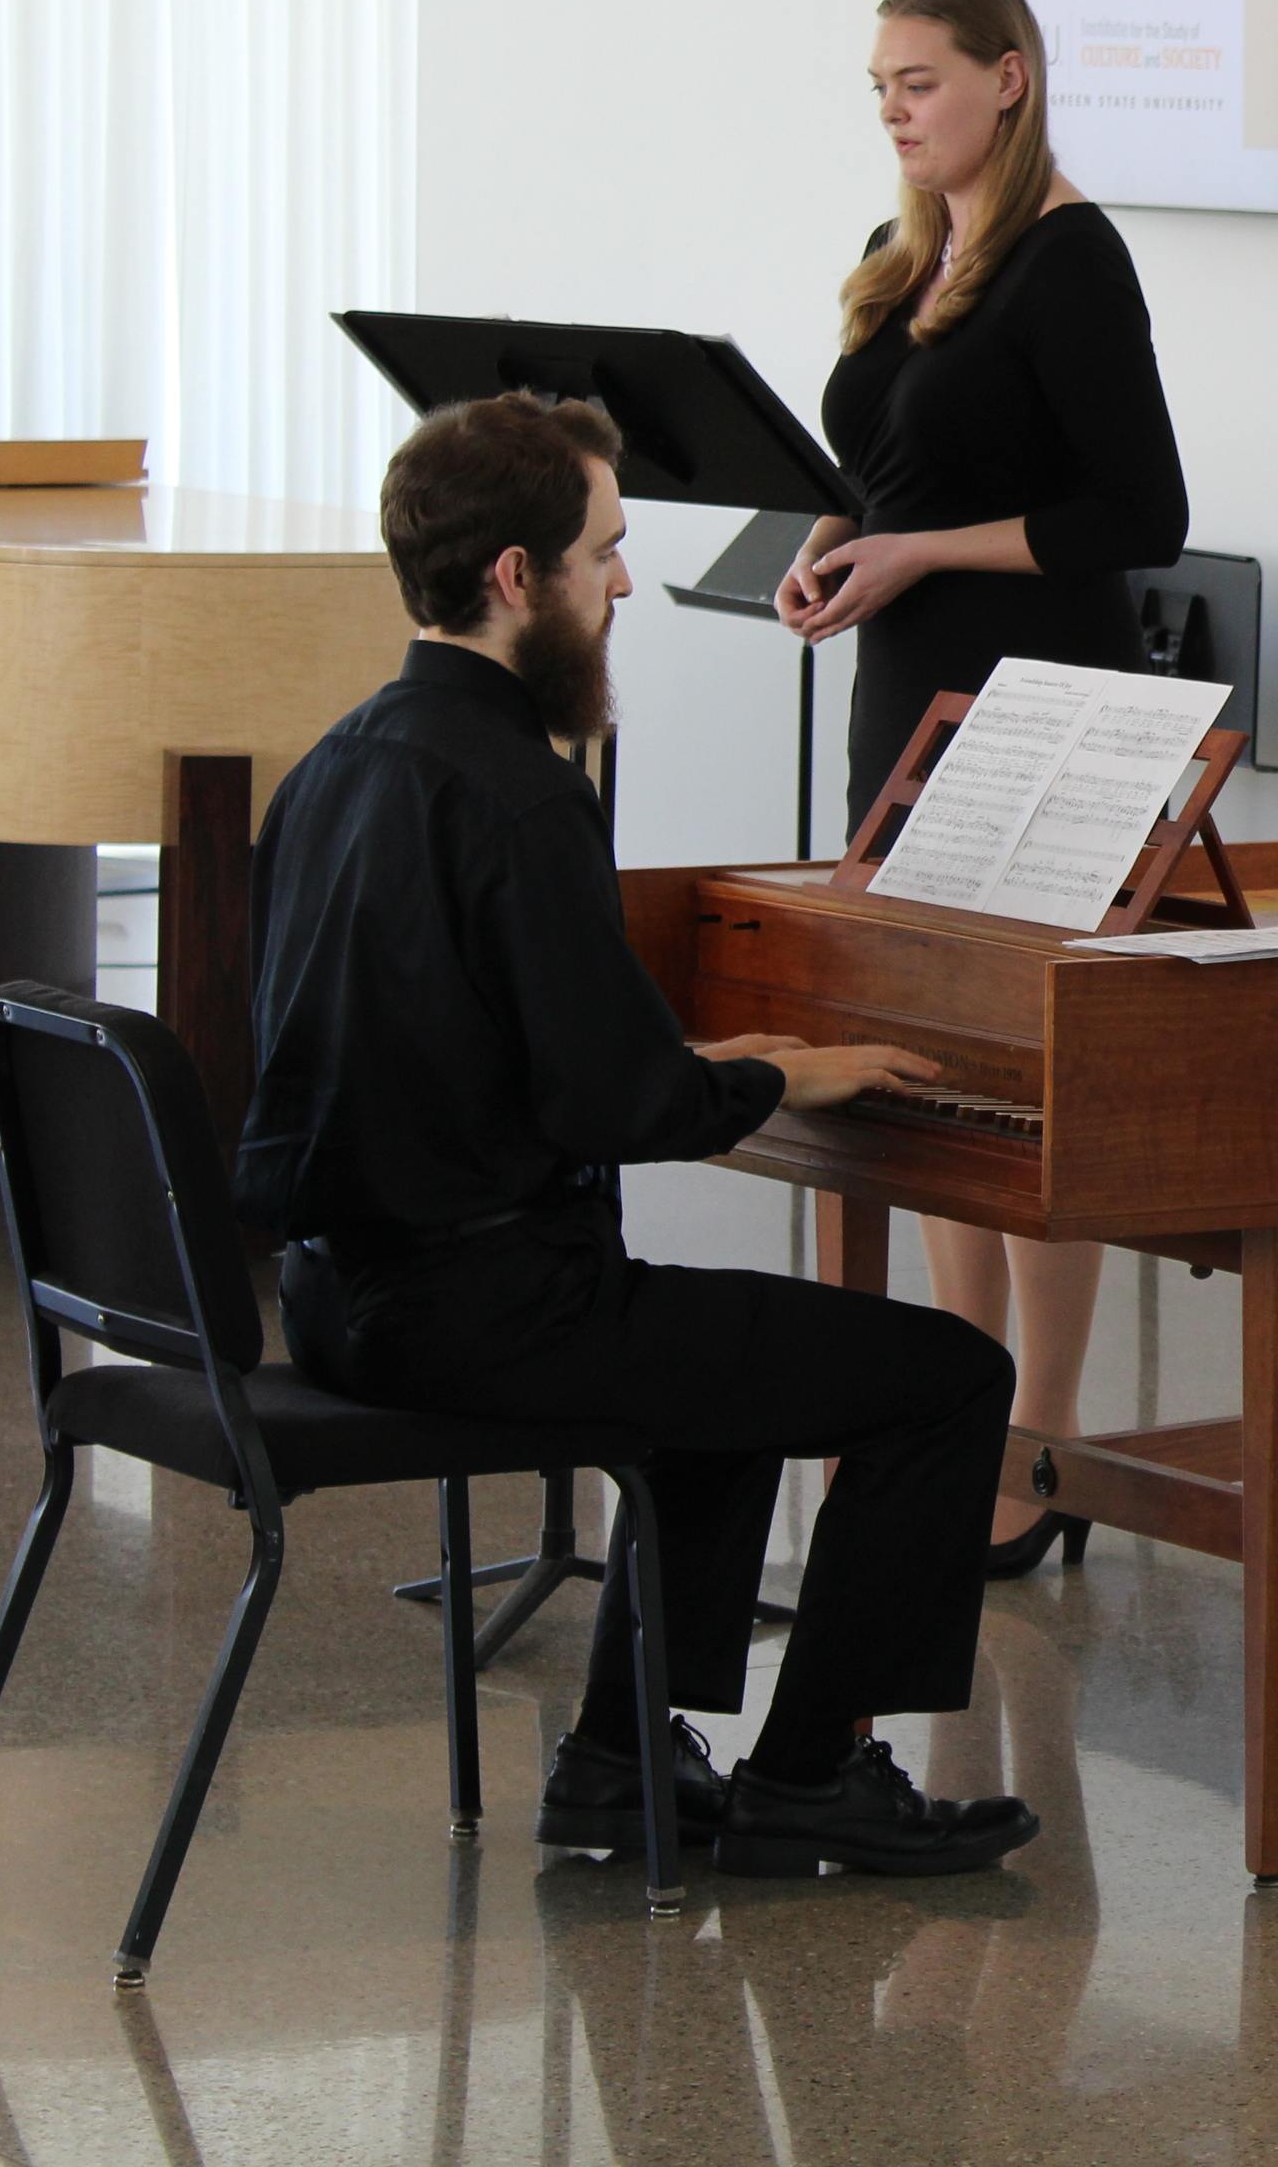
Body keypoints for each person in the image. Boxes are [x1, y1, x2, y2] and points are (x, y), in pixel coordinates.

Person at [240, 388, 1041, 1882]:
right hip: (490, 1318)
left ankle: (620, 1761)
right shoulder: (524, 797)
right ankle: (813, 1776)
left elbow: (450, 1047)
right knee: (947, 1378)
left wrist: (706, 1061)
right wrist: (774, 1080)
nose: (622, 586)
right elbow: (616, 1110)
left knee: (715, 1361)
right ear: (516, 578)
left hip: (341, 1298)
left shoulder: (332, 767)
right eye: (603, 552)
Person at [779, 0, 1190, 1577]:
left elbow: (1139, 514)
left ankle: (1045, 1441)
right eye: (879, 87)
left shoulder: (1071, 258)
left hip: (1040, 702)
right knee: (925, 1070)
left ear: (1007, 77)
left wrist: (916, 551)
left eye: (922, 81)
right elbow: (882, 464)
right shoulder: (906, 257)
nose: (895, 111)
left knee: (1027, 1090)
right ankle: (959, 1405)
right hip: (907, 693)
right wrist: (833, 539)